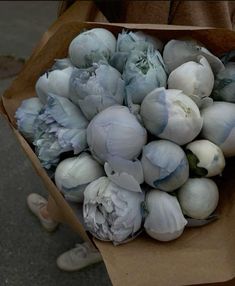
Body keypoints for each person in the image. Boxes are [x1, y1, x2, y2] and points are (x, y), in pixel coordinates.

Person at [27, 0, 235, 272]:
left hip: (179, 48)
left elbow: (207, 23)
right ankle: (56, 212)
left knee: (100, 184)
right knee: (72, 167)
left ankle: (93, 242)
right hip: (130, 50)